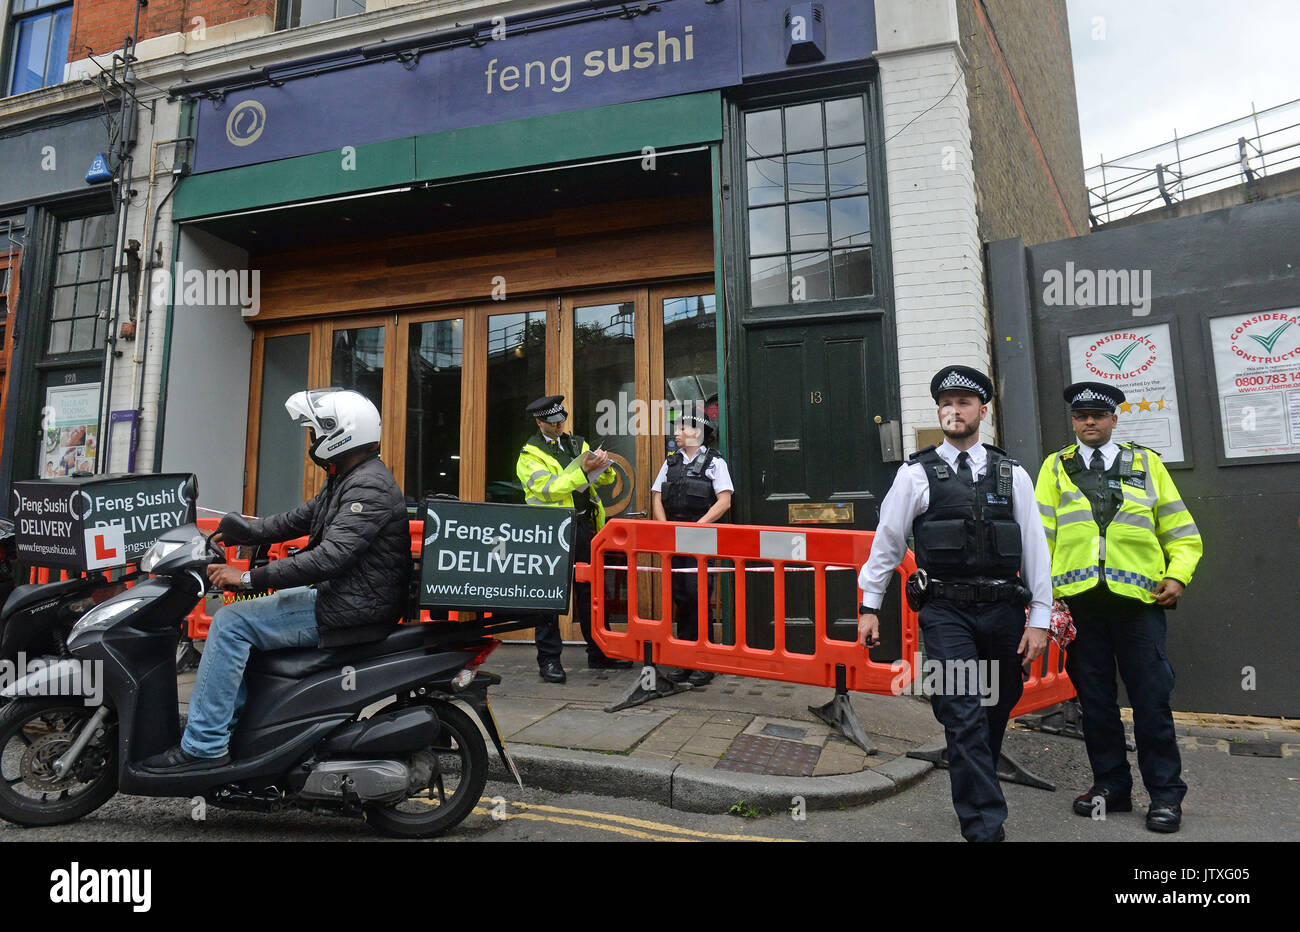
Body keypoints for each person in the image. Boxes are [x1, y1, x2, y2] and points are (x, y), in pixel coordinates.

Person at [142, 388, 412, 772]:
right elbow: (297, 519)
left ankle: (203, 747)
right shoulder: (349, 478)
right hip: (348, 596)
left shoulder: (367, 486)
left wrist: (249, 577)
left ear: (341, 433)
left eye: (315, 432)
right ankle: (243, 729)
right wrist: (245, 531)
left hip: (350, 605)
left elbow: (330, 557)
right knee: (246, 620)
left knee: (230, 623)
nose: (312, 441)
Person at [857, 365, 1051, 842]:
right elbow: (886, 542)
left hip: (1005, 611)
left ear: (982, 411)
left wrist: (1041, 618)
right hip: (946, 612)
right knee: (963, 710)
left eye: (963, 403)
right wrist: (869, 604)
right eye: (946, 403)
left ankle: (975, 782)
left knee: (996, 705)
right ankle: (985, 826)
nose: (953, 410)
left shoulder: (1013, 473)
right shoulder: (916, 474)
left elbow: (1034, 549)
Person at [1035, 382, 1202, 833]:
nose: (1088, 421)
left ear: (1114, 419)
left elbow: (1182, 533)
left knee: (1151, 702)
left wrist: (1178, 573)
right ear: (1074, 421)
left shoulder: (1146, 463)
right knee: (1096, 703)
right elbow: (1040, 539)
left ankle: (1166, 796)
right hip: (1080, 604)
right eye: (1080, 415)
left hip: (1138, 604)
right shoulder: (1055, 467)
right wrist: (1041, 594)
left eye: (1097, 415)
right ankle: (1112, 788)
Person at [516, 394, 632, 682]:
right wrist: (584, 470)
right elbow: (549, 489)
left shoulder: (576, 443)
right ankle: (549, 660)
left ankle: (600, 652)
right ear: (539, 421)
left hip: (584, 526)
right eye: (553, 423)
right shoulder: (529, 455)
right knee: (549, 595)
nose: (559, 427)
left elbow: (599, 481)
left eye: (561, 421)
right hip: (550, 530)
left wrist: (604, 467)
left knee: (591, 595)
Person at [650, 410, 733, 686]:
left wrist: (698, 527)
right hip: (674, 540)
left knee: (699, 599)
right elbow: (657, 496)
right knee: (681, 599)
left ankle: (704, 663)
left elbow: (724, 501)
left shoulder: (714, 462)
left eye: (682, 428)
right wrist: (665, 529)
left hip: (699, 540)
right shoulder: (671, 461)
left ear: (697, 433)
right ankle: (685, 661)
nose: (676, 433)